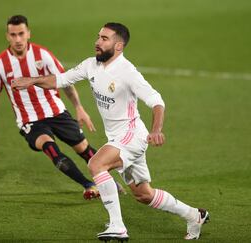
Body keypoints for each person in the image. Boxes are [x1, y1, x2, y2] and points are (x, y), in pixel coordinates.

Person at [11, 22, 210, 241]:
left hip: (132, 135)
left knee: (96, 163)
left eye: (104, 39)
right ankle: (194, 215)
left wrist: (156, 130)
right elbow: (60, 79)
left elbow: (157, 101)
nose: (97, 42)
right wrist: (32, 81)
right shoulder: (91, 65)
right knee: (144, 195)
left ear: (118, 46)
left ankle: (118, 227)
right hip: (118, 138)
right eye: (98, 37)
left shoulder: (128, 72)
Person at [0, 15, 104, 199]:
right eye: (13, 35)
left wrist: (78, 107)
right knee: (51, 149)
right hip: (30, 121)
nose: (18, 39)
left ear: (28, 33)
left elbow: (65, 81)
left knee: (85, 150)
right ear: (7, 36)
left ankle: (109, 183)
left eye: (21, 34)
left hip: (56, 111)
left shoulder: (43, 55)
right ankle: (88, 184)